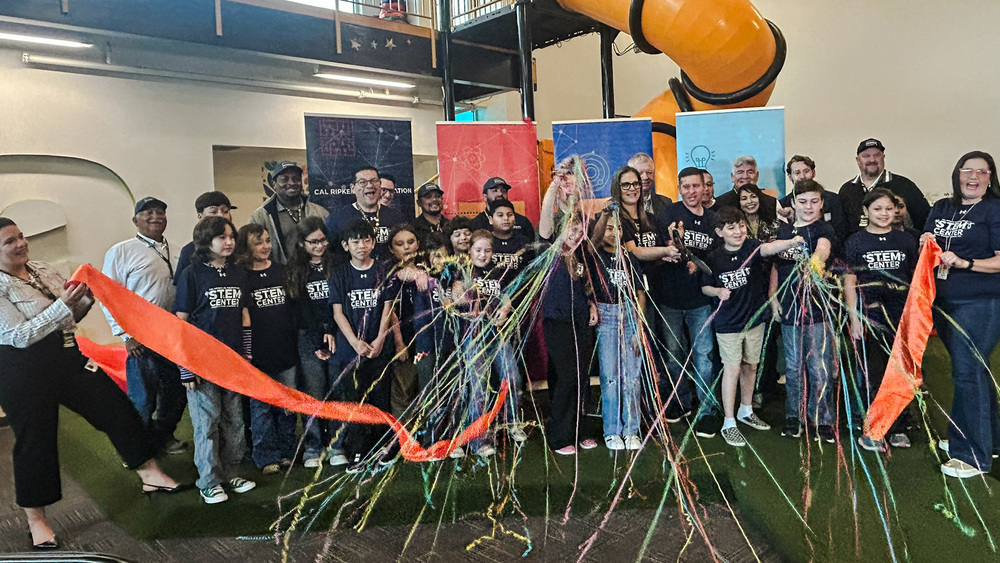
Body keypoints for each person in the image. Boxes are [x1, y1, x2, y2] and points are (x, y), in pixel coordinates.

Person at [0, 217, 183, 550]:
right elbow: (19, 336)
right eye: (10, 241)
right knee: (35, 442)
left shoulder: (41, 269)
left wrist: (88, 298)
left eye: (21, 236)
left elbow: (70, 318)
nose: (20, 243)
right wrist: (63, 306)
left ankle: (149, 473)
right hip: (22, 371)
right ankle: (36, 520)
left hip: (66, 356)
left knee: (114, 406)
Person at [922, 151, 1000, 479]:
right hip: (944, 302)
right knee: (972, 373)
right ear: (957, 174)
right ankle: (989, 439)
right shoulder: (942, 207)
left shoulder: (994, 209)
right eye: (967, 170)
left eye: (982, 172)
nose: (973, 176)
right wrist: (925, 241)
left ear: (990, 177)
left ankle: (973, 455)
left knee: (968, 374)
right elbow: (927, 241)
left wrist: (967, 263)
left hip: (979, 303)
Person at [701, 207, 803, 447]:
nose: (738, 231)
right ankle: (729, 421)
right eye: (731, 227)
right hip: (728, 324)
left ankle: (746, 410)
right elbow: (704, 287)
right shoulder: (714, 258)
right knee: (732, 368)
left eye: (741, 225)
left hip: (754, 321)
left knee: (751, 366)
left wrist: (790, 242)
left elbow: (769, 248)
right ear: (719, 232)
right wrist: (717, 291)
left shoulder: (753, 247)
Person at [174, 216, 257, 504]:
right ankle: (209, 481)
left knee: (234, 420)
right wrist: (185, 368)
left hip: (232, 362)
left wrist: (246, 357)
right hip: (201, 362)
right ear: (206, 240)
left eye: (231, 236)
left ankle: (231, 472)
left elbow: (244, 315)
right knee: (206, 422)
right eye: (222, 237)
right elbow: (180, 322)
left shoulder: (238, 272)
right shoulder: (191, 274)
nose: (229, 241)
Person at [101, 197, 187, 455]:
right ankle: (136, 448)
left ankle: (163, 436)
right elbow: (108, 295)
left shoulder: (179, 249)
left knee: (175, 392)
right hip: (141, 337)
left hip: (174, 336)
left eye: (160, 211)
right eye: (148, 212)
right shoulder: (121, 251)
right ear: (135, 220)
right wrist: (125, 334)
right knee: (143, 398)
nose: (155, 216)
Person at [844, 188, 917, 451]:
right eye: (877, 209)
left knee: (900, 371)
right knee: (873, 372)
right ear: (866, 211)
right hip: (870, 315)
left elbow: (914, 279)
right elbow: (850, 280)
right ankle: (874, 428)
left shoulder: (906, 240)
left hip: (900, 316)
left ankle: (898, 426)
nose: (884, 214)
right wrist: (854, 316)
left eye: (889, 208)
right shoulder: (855, 242)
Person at [771, 180, 837, 443]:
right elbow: (776, 266)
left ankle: (822, 419)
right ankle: (793, 417)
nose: (808, 207)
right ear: (793, 203)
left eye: (814, 201)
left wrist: (815, 264)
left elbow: (823, 249)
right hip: (789, 309)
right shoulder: (783, 231)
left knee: (819, 367)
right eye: (803, 201)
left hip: (817, 310)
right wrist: (773, 297)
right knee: (793, 367)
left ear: (821, 204)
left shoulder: (824, 228)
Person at [655, 167, 720, 437]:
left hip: (700, 302)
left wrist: (701, 268)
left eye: (697, 186)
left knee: (704, 359)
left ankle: (706, 411)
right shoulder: (668, 215)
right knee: (673, 357)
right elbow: (657, 251)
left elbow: (717, 261)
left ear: (705, 188)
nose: (692, 192)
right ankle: (680, 403)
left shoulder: (713, 220)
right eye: (687, 187)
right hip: (669, 301)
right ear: (679, 189)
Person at [329, 219, 397, 472]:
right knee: (354, 401)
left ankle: (383, 447)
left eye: (366, 240)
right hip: (351, 351)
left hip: (380, 348)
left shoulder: (383, 270)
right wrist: (355, 342)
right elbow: (338, 313)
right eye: (355, 242)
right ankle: (357, 450)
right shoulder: (339, 273)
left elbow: (388, 308)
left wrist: (380, 338)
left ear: (373, 242)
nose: (361, 246)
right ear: (346, 245)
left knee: (380, 399)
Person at [234, 224, 299, 474]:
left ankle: (287, 451)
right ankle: (265, 456)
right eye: (259, 242)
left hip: (285, 349)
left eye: (268, 241)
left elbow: (293, 309)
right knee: (260, 408)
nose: (266, 246)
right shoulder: (240, 276)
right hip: (256, 354)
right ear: (246, 247)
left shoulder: (282, 272)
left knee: (287, 405)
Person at [284, 217, 344, 468]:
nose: (320, 246)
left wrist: (330, 330)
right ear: (301, 244)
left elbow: (340, 300)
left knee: (337, 390)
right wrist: (318, 336)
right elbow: (300, 307)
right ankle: (313, 445)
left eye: (323, 240)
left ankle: (337, 444)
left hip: (337, 332)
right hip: (308, 337)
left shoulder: (337, 264)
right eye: (313, 242)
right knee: (314, 392)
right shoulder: (295, 270)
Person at [539, 215, 599, 455]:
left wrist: (592, 303)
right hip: (557, 321)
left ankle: (579, 429)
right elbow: (544, 228)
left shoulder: (583, 253)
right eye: (570, 228)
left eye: (579, 229)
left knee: (581, 376)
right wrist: (556, 184)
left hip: (581, 321)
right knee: (567, 376)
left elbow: (587, 285)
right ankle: (559, 435)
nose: (575, 233)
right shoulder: (549, 252)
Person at [589, 208, 645, 451]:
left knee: (632, 376)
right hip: (606, 316)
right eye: (609, 228)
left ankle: (631, 429)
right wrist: (604, 218)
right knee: (610, 377)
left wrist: (639, 326)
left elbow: (641, 293)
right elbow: (592, 242)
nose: (613, 233)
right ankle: (611, 430)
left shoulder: (631, 258)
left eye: (618, 228)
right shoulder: (594, 255)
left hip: (630, 314)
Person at [839, 138, 930, 236]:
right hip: (857, 248)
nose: (872, 160)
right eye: (866, 156)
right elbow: (841, 227)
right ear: (858, 160)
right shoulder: (846, 190)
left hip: (897, 247)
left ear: (883, 157)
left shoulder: (904, 185)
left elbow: (924, 219)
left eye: (877, 155)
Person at [249, 161, 329, 264]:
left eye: (296, 179)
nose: (291, 183)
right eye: (284, 179)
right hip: (280, 275)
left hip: (315, 275)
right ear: (274, 184)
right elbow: (253, 251)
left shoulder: (320, 212)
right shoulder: (260, 217)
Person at [325, 166, 407, 264]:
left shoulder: (396, 217)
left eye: (374, 181)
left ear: (380, 185)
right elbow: (329, 254)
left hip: (389, 276)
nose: (369, 186)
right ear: (352, 188)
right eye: (362, 182)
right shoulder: (336, 219)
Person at [778, 155, 848, 242]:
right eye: (797, 173)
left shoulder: (832, 199)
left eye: (806, 171)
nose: (802, 176)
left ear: (813, 173)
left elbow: (841, 231)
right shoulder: (783, 204)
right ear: (789, 176)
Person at [174, 191, 237, 283]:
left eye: (225, 211)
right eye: (213, 211)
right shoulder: (190, 250)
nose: (220, 215)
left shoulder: (239, 245)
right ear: (200, 216)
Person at [469, 177, 536, 240]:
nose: (500, 194)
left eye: (503, 191)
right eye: (495, 191)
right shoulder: (475, 224)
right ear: (485, 196)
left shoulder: (522, 222)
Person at [713, 156, 778, 218]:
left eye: (750, 172)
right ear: (732, 177)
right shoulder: (720, 204)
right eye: (740, 172)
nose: (745, 176)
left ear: (757, 176)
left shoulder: (772, 203)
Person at [488, 198, 533, 281]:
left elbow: (530, 271)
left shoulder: (523, 242)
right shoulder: (486, 242)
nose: (506, 218)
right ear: (491, 220)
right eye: (500, 215)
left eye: (509, 215)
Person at [627, 152, 672, 219]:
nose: (645, 177)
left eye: (649, 172)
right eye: (640, 173)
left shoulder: (666, 203)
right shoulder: (621, 204)